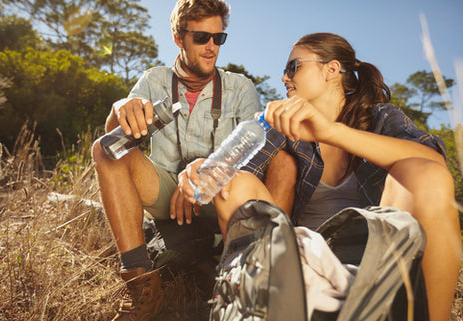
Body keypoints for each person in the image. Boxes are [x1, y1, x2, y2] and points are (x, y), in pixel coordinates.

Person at [177, 33, 461, 321]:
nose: (285, 78)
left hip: (376, 263)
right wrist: (205, 170)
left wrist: (330, 132)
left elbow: (433, 162)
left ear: (331, 70)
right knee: (233, 186)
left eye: (294, 67)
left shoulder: (380, 118)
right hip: (300, 261)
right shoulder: (280, 124)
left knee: (423, 173)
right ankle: (267, 305)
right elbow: (233, 183)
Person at [90, 1, 297, 320]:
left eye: (219, 38)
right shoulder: (153, 78)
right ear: (178, 37)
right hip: (163, 195)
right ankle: (141, 286)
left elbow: (260, 150)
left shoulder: (239, 86)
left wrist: (201, 179)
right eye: (201, 37)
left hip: (222, 189)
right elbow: (115, 139)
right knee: (106, 149)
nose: (212, 47)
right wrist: (121, 108)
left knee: (283, 162)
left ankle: (261, 279)